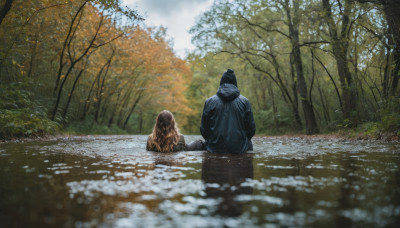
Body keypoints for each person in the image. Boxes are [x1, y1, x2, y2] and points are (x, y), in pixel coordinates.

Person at [200, 69, 256, 153]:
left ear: (221, 82)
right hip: (239, 148)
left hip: (214, 148)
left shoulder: (209, 102)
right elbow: (251, 129)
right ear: (235, 83)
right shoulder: (245, 102)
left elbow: (204, 129)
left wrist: (212, 140)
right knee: (249, 144)